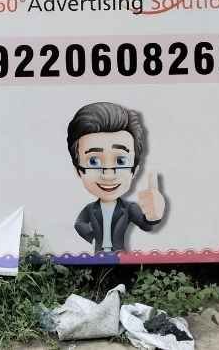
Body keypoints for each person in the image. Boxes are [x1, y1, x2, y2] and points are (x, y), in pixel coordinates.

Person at [67, 102, 166, 253]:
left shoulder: (129, 208)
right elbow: (79, 224)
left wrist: (154, 217)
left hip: (121, 255)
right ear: (78, 170)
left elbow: (145, 225)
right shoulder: (90, 209)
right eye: (93, 161)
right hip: (98, 255)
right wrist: (92, 234)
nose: (108, 175)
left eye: (121, 161)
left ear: (134, 170)